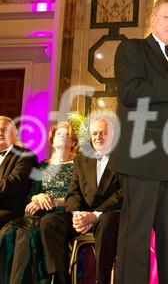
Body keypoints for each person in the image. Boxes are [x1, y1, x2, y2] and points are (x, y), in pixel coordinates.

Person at [108, 0, 168, 284]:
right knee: (135, 239)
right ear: (153, 19)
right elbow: (131, 93)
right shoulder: (132, 49)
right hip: (143, 158)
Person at [40, 116, 122, 284]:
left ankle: (101, 279)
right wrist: (78, 215)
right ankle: (61, 278)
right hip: (82, 215)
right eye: (94, 133)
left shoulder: (123, 159)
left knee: (107, 222)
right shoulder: (81, 160)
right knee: (50, 222)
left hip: (108, 214)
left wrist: (95, 215)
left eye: (103, 133)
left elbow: (124, 193)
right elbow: (73, 193)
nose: (98, 137)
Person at [4, 122, 77, 284]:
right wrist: (38, 197)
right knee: (10, 231)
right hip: (38, 213)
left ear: (73, 142)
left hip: (62, 214)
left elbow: (78, 197)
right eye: (58, 134)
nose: (61, 137)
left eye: (66, 135)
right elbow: (31, 194)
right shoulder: (41, 166)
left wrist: (52, 201)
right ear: (51, 140)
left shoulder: (77, 166)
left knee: (33, 233)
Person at [0, 116, 37, 229]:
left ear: (14, 133)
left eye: (4, 130)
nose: (0, 133)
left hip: (9, 209)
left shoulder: (25, 155)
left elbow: (15, 182)